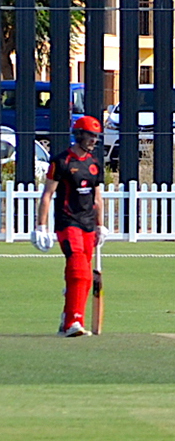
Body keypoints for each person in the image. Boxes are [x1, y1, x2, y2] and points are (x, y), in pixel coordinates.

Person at [33, 116, 106, 337]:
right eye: (90, 136)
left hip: (87, 224)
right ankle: (71, 324)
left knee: (82, 277)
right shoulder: (61, 161)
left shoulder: (94, 164)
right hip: (67, 222)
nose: (93, 140)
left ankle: (72, 319)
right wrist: (40, 226)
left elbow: (97, 198)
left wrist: (100, 226)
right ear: (79, 135)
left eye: (96, 136)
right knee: (80, 271)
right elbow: (48, 194)